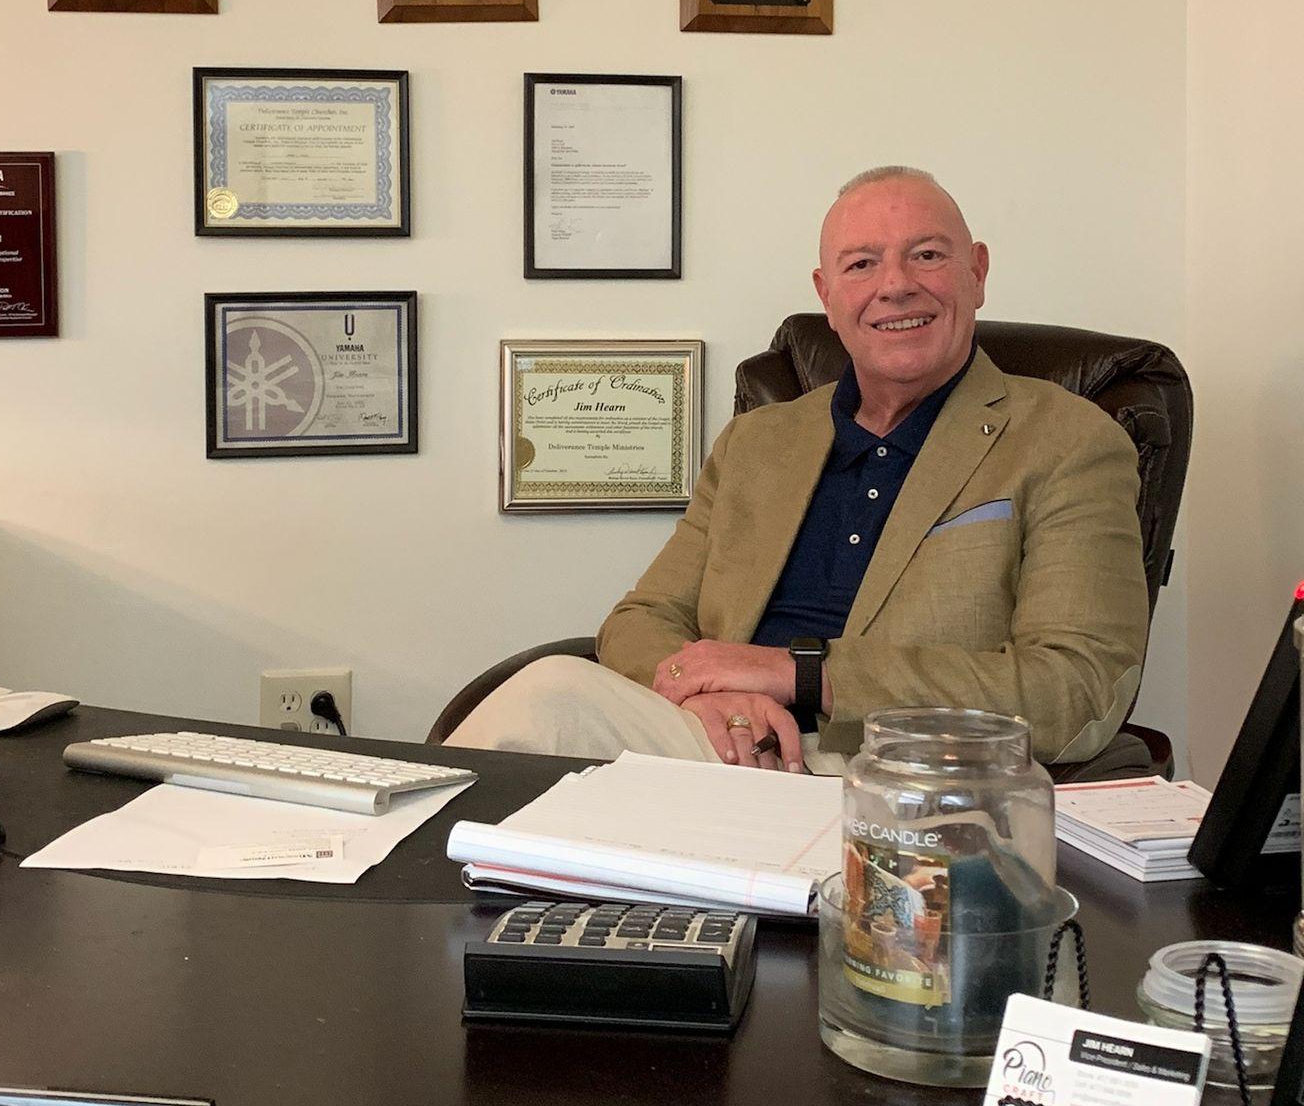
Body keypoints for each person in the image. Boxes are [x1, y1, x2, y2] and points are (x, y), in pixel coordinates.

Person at [448, 167, 1149, 774]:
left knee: (544, 711)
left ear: (978, 273)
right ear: (828, 294)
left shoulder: (1067, 441)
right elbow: (643, 619)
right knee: (547, 699)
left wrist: (804, 676)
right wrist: (717, 695)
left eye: (927, 255)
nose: (896, 286)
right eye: (862, 264)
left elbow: (1076, 690)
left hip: (902, 778)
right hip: (719, 747)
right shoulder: (758, 442)